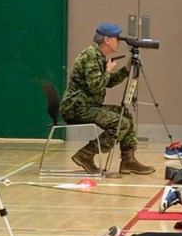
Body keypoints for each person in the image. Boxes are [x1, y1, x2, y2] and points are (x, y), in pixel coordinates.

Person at [60, 23, 154, 175]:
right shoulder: (90, 55)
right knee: (120, 124)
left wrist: (126, 69)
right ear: (107, 40)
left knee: (125, 115)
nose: (119, 41)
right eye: (116, 38)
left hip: (88, 105)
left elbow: (107, 83)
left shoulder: (97, 55)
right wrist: (108, 71)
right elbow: (96, 86)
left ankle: (128, 160)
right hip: (76, 108)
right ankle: (86, 154)